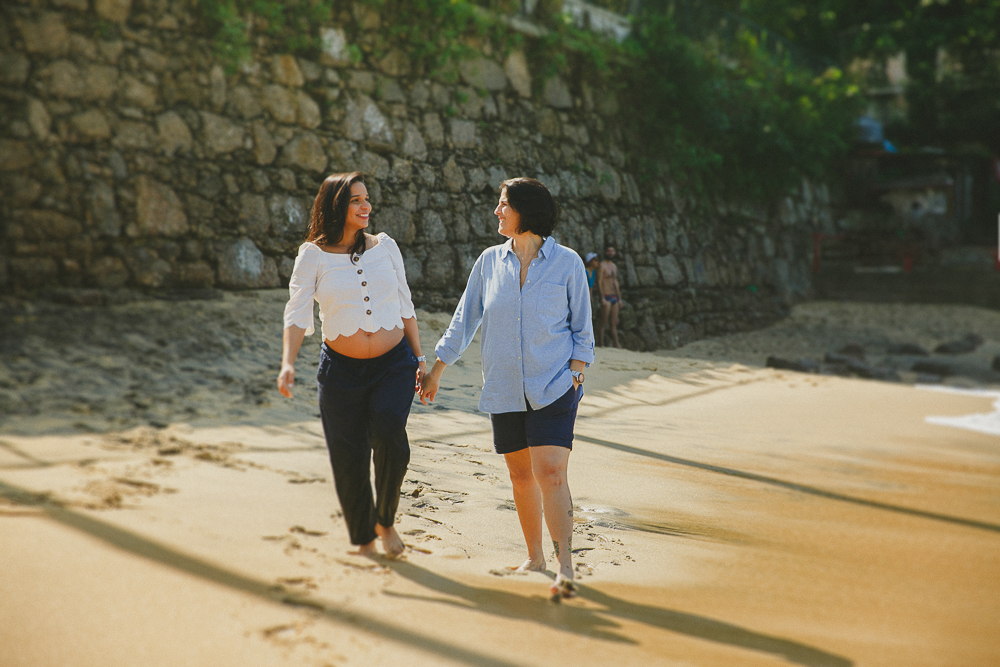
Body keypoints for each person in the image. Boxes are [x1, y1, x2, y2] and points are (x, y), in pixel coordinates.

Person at [419, 177, 595, 601]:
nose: (497, 211)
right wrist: (438, 369)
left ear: (526, 211)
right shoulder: (489, 262)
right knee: (520, 475)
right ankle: (535, 558)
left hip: (553, 386)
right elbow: (464, 319)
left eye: (504, 205)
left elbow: (582, 329)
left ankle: (565, 567)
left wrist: (575, 375)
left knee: (551, 473)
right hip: (504, 387)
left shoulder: (567, 263)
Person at [278, 172, 426, 559]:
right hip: (341, 371)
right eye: (356, 200)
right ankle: (364, 538)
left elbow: (405, 304)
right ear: (336, 206)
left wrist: (421, 359)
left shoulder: (385, 246)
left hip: (394, 364)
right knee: (348, 455)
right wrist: (288, 363)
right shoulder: (312, 255)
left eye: (367, 198)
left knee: (390, 435)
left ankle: (385, 520)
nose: (366, 206)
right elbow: (296, 312)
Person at [596, 246, 623, 348]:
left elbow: (615, 282)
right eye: (608, 251)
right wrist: (602, 297)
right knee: (603, 322)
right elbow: (599, 281)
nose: (610, 253)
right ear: (605, 252)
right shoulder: (602, 265)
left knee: (614, 323)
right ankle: (601, 344)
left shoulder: (614, 266)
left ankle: (617, 344)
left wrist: (619, 298)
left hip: (614, 296)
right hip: (606, 295)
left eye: (612, 251)